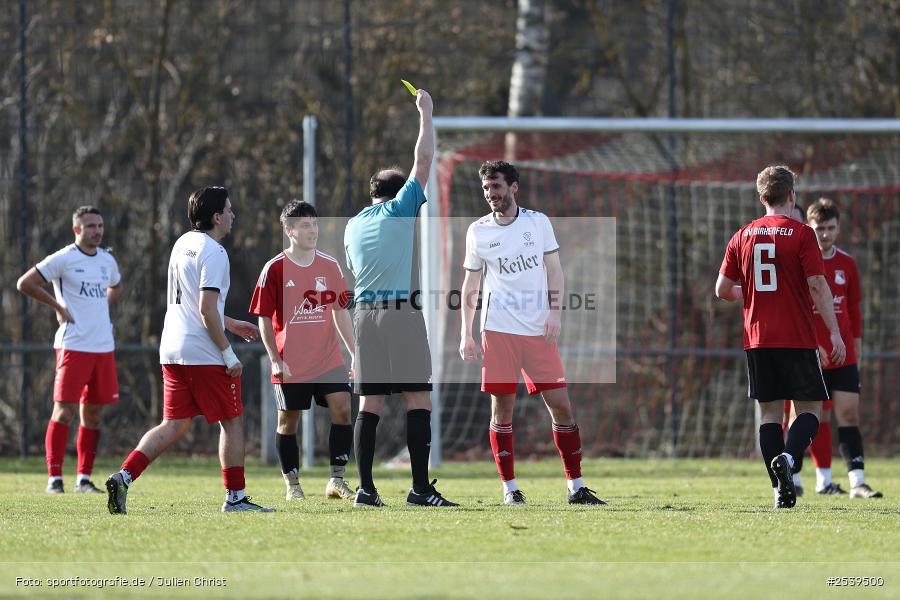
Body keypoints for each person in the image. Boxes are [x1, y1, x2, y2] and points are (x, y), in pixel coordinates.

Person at [105, 187, 274, 514]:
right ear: (216, 217)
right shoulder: (215, 252)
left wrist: (232, 323)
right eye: (228, 209)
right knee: (232, 421)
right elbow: (206, 310)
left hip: (172, 348)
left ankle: (124, 476)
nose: (233, 215)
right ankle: (236, 498)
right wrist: (228, 352)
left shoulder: (182, 243)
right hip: (203, 351)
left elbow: (197, 305)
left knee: (174, 424)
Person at [459, 160, 606, 506]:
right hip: (497, 331)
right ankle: (510, 490)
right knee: (503, 412)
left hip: (539, 332)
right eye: (485, 188)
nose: (490, 194)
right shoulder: (477, 231)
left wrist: (555, 312)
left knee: (562, 408)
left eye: (496, 186)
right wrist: (466, 332)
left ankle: (576, 487)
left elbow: (554, 270)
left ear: (513, 187)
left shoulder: (537, 223)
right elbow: (470, 283)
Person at [343, 88, 458, 508]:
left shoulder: (353, 225)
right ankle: (420, 490)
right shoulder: (399, 210)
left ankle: (366, 491)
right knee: (417, 399)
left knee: (369, 403)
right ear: (401, 193)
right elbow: (423, 161)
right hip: (399, 314)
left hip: (364, 316)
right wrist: (426, 114)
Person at [716, 165, 846, 509]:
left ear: (761, 198)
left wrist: (757, 294)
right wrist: (833, 331)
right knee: (810, 411)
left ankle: (779, 491)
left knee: (770, 416)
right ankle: (788, 460)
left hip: (757, 338)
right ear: (792, 195)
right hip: (797, 337)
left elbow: (722, 290)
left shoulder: (741, 235)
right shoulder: (803, 234)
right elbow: (818, 285)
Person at [249, 200, 356, 501]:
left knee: (343, 409)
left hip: (328, 358)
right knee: (288, 421)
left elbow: (340, 311)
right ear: (289, 230)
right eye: (305, 225)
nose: (313, 230)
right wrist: (274, 359)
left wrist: (355, 352)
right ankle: (292, 485)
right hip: (291, 362)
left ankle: (337, 480)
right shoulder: (275, 268)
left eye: (315, 224)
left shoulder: (330, 265)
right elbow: (264, 319)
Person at [16, 206, 123, 494]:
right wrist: (58, 306)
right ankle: (54, 479)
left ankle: (84, 480)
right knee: (63, 412)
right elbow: (25, 283)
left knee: (94, 415)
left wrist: (102, 311)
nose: (97, 231)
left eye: (100, 226)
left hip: (103, 347)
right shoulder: (64, 259)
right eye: (90, 226)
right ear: (77, 229)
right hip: (73, 346)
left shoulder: (107, 260)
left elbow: (116, 286)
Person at [803, 198, 881, 498]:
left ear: (838, 228)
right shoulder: (803, 263)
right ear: (809, 228)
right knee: (818, 417)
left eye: (830, 228)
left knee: (849, 414)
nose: (824, 234)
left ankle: (857, 482)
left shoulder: (847, 263)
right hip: (813, 353)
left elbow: (854, 309)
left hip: (844, 351)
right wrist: (813, 345)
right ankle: (823, 480)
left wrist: (857, 345)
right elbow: (799, 310)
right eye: (819, 228)